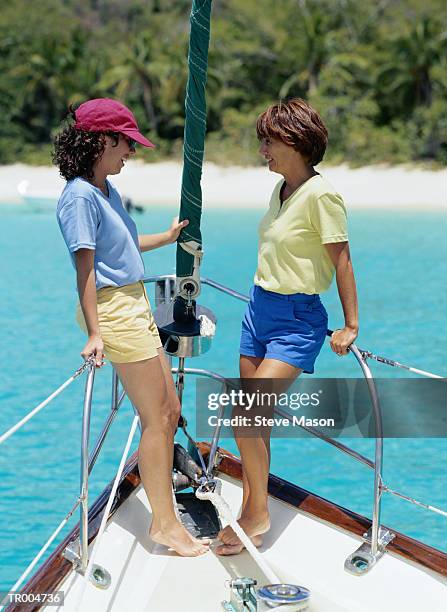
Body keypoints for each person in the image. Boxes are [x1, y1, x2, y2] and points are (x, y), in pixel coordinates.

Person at [54, 98, 209, 557]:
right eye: (126, 143)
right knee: (156, 416)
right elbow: (85, 267)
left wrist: (168, 236)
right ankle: (164, 524)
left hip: (134, 303)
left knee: (169, 408)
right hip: (114, 312)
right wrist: (95, 334)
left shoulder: (104, 190)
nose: (132, 152)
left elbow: (120, 246)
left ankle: (165, 513)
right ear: (103, 140)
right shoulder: (80, 195)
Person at [217, 98, 359, 555]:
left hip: (297, 320)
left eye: (268, 141)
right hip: (258, 310)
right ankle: (252, 507)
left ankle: (256, 513)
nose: (262, 150)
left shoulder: (323, 195)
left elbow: (342, 261)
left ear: (294, 141)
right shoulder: (279, 191)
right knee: (254, 422)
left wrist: (350, 324)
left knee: (245, 415)